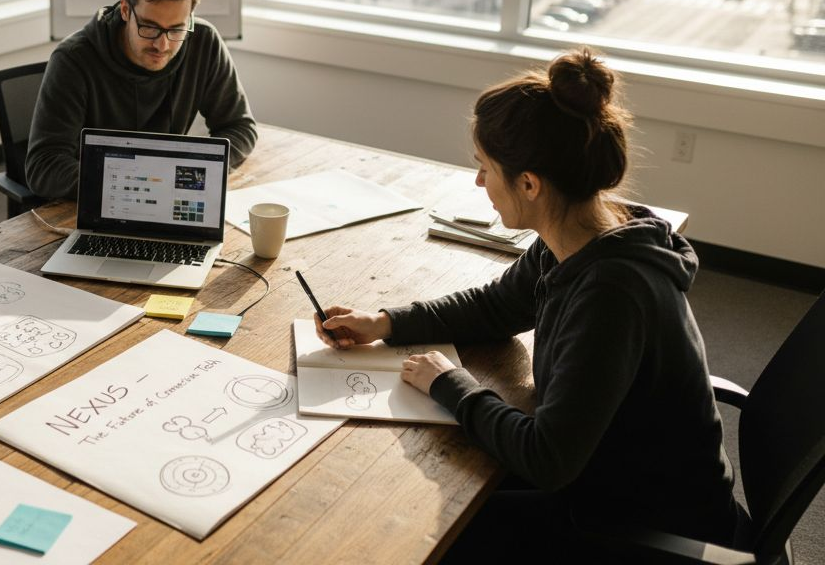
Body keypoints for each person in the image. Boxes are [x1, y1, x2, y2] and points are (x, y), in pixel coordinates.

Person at [316, 48, 744, 558]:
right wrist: (385, 322)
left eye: (485, 168)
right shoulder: (581, 232)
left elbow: (547, 460)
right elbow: (499, 306)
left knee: (412, 531)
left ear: (529, 183)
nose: (479, 182)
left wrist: (451, 385)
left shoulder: (611, 294)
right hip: (607, 473)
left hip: (647, 520)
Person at [25, 0, 257, 199]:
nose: (162, 45)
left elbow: (239, 127)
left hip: (165, 195)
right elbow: (44, 165)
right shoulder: (74, 59)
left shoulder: (204, 41)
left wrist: (191, 172)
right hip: (99, 198)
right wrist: (138, 183)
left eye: (176, 29)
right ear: (125, 10)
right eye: (149, 27)